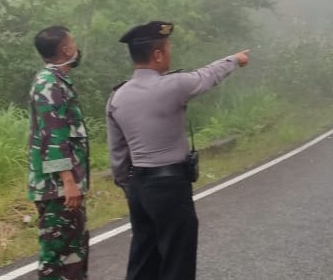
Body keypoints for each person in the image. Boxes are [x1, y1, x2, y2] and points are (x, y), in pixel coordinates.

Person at [106, 20, 250, 280]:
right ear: (158, 54)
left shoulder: (118, 96)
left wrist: (130, 186)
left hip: (138, 185)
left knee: (143, 255)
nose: (171, 53)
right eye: (168, 47)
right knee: (177, 259)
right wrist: (235, 59)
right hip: (169, 185)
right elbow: (207, 75)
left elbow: (117, 152)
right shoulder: (173, 85)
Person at [27, 25, 90, 280]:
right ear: (65, 49)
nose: (76, 47)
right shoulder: (49, 84)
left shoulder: (57, 82)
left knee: (73, 253)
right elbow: (53, 137)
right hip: (58, 188)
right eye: (72, 42)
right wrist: (68, 182)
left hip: (62, 185)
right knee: (57, 257)